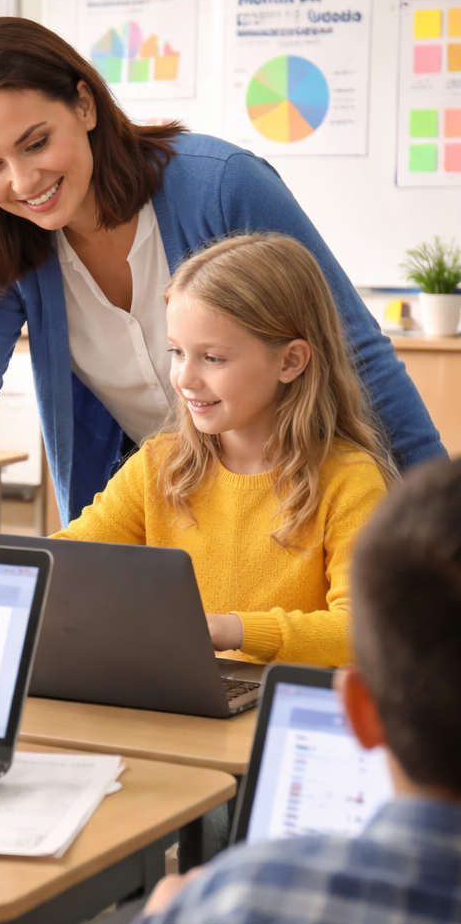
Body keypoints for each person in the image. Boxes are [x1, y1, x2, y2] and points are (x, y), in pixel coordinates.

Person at [0, 17, 443, 532]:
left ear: (85, 105)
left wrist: (439, 511)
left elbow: (356, 353)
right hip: (170, 505)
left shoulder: (220, 187)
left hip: (301, 493)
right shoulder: (3, 237)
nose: (24, 181)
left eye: (36, 142)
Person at [101, 454, 461, 924]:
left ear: (356, 711)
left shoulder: (245, 897)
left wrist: (170, 918)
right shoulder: (158, 462)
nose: (182, 377)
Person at [55, 235, 394, 665]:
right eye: (177, 352)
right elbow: (65, 561)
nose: (185, 378)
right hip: (179, 697)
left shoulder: (349, 480)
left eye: (212, 358)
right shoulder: (159, 465)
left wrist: (232, 630)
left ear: (290, 362)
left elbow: (362, 630)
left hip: (282, 711)